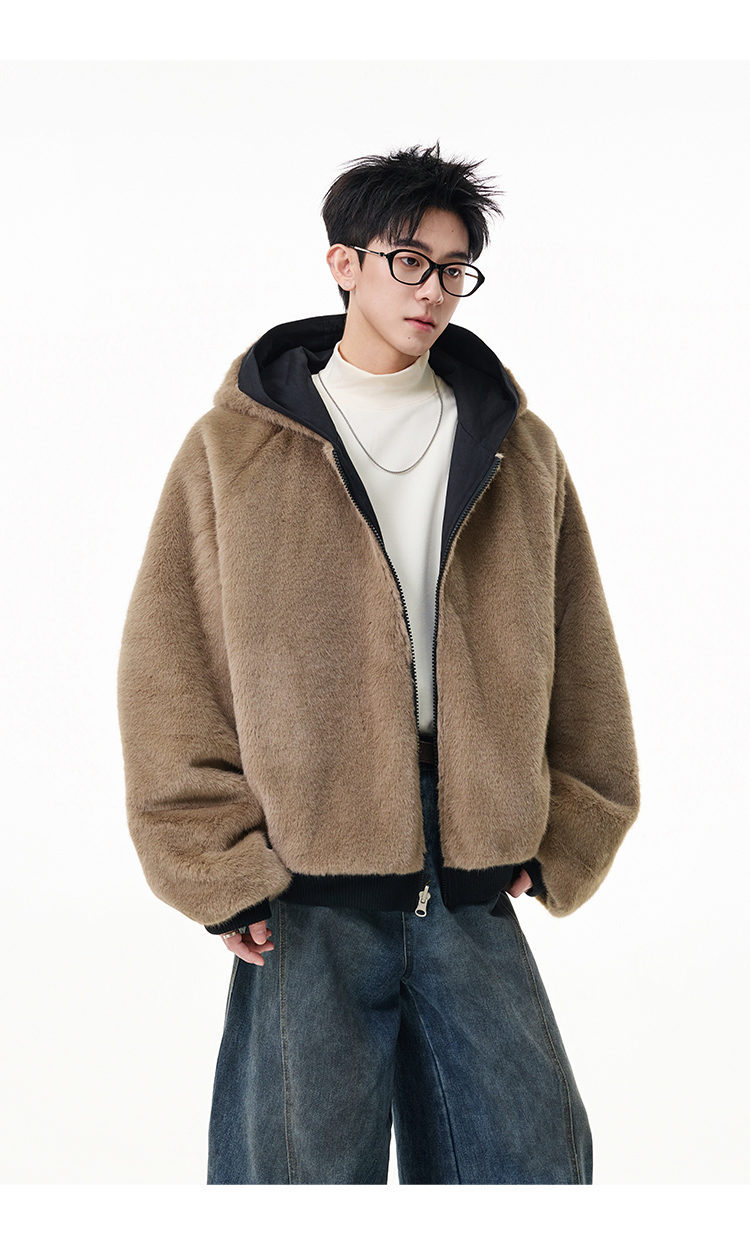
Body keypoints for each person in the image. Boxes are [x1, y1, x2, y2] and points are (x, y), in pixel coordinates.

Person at [117, 141, 640, 1185]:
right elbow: (171, 665)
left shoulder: (516, 446)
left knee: (530, 1160)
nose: (432, 289)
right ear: (343, 263)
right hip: (304, 866)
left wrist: (569, 827)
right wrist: (216, 864)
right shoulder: (235, 448)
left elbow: (580, 643)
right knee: (297, 1174)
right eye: (409, 260)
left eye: (454, 269)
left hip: (473, 854)